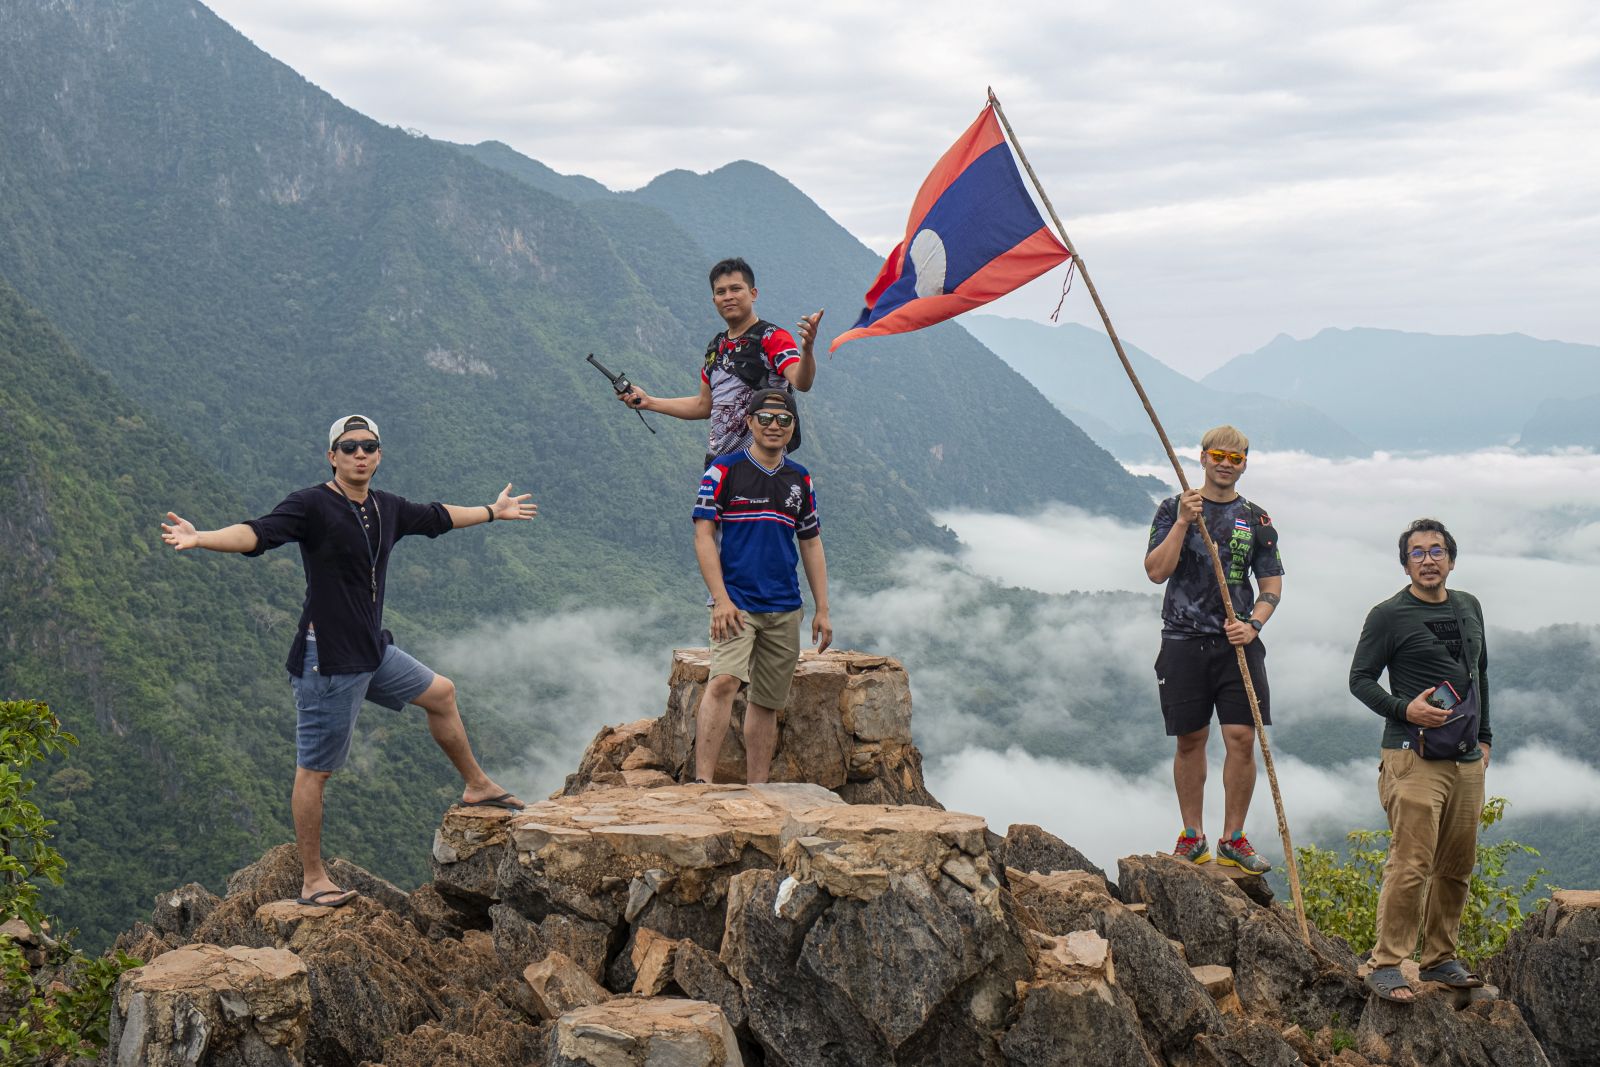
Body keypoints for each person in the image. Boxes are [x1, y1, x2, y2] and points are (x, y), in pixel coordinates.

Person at [160, 415, 536, 909]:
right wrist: (202, 537)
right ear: (332, 456)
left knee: (440, 693)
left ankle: (478, 786)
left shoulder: (386, 507)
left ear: (378, 456)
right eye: (349, 446)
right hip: (330, 659)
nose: (360, 453)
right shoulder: (311, 504)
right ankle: (313, 880)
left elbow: (438, 516)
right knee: (315, 771)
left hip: (371, 649)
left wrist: (492, 510)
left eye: (369, 446)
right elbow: (258, 533)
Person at [1350, 518, 1491, 1003]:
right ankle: (1386, 962)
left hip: (1467, 758)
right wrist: (1403, 708)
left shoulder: (1469, 606)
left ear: (1451, 559)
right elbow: (1361, 679)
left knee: (1456, 864)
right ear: (1405, 562)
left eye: (1437, 551)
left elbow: (1480, 675)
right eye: (1417, 552)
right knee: (1410, 863)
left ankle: (1439, 959)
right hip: (1412, 756)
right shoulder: (1388, 614)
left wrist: (1486, 738)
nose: (1428, 560)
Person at [1144, 426, 1283, 874]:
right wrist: (1184, 522)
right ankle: (1192, 836)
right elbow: (1155, 571)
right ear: (1202, 458)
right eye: (1218, 455)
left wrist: (1254, 625)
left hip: (1236, 643)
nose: (1226, 463)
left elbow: (1271, 583)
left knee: (1242, 739)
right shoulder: (1174, 508)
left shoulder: (1256, 519)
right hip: (1183, 639)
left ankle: (1233, 838)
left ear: (1245, 464)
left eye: (1236, 457)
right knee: (1191, 739)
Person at [690, 389, 831, 784]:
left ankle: (758, 788)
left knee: (767, 701)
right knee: (723, 681)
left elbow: (811, 542)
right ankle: (701, 782)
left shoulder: (799, 478)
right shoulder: (723, 470)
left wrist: (822, 607)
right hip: (737, 602)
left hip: (784, 604)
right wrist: (720, 600)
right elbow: (704, 536)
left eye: (783, 420)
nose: (774, 426)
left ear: (793, 428)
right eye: (765, 418)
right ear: (749, 422)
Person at [618, 257, 823, 467]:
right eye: (721, 292)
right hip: (718, 466)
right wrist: (649, 402)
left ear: (753, 294)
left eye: (736, 289)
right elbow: (703, 405)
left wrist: (807, 349)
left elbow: (801, 381)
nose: (728, 297)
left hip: (759, 465)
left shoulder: (771, 337)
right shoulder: (716, 347)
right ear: (714, 299)